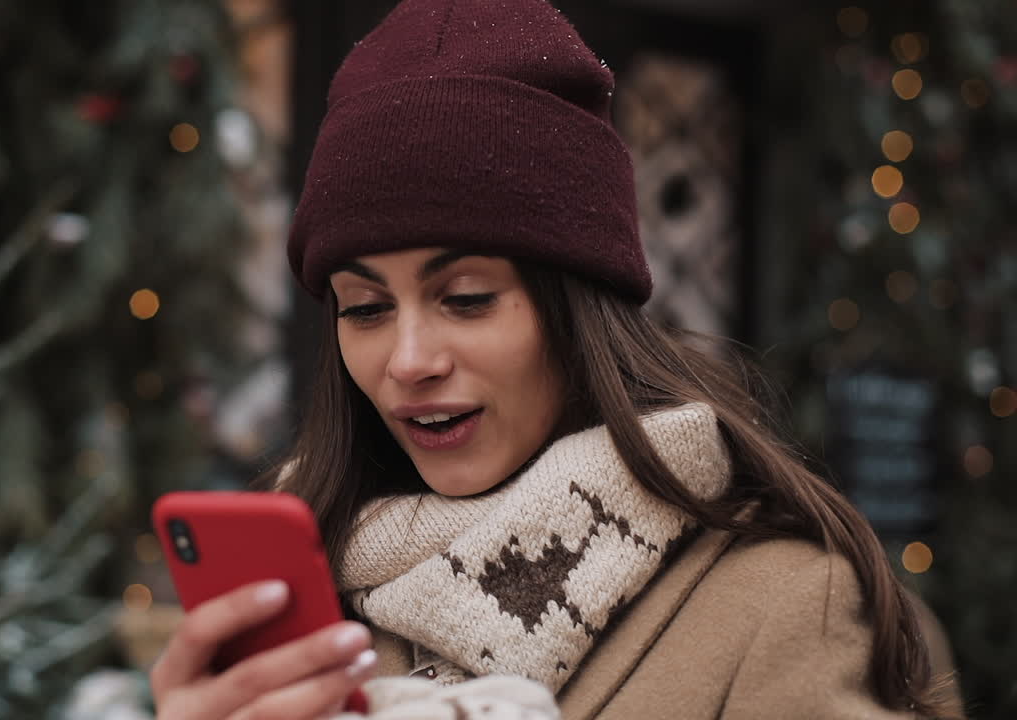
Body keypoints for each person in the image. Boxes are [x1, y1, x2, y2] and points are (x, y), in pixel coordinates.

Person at [150, 0, 963, 717]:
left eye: (466, 298)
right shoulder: (301, 610)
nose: (408, 360)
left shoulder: (786, 609)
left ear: (578, 312)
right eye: (364, 308)